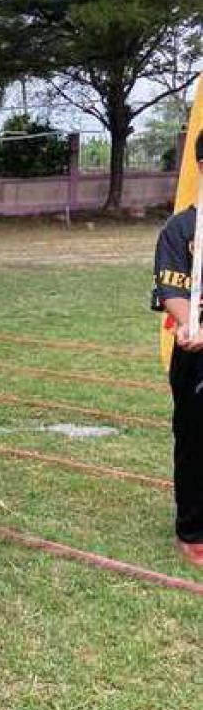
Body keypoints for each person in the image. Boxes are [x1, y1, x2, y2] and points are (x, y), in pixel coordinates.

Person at [152, 129, 203, 567]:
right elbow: (171, 288)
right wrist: (191, 325)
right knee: (196, 441)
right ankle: (194, 531)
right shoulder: (181, 229)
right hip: (196, 354)